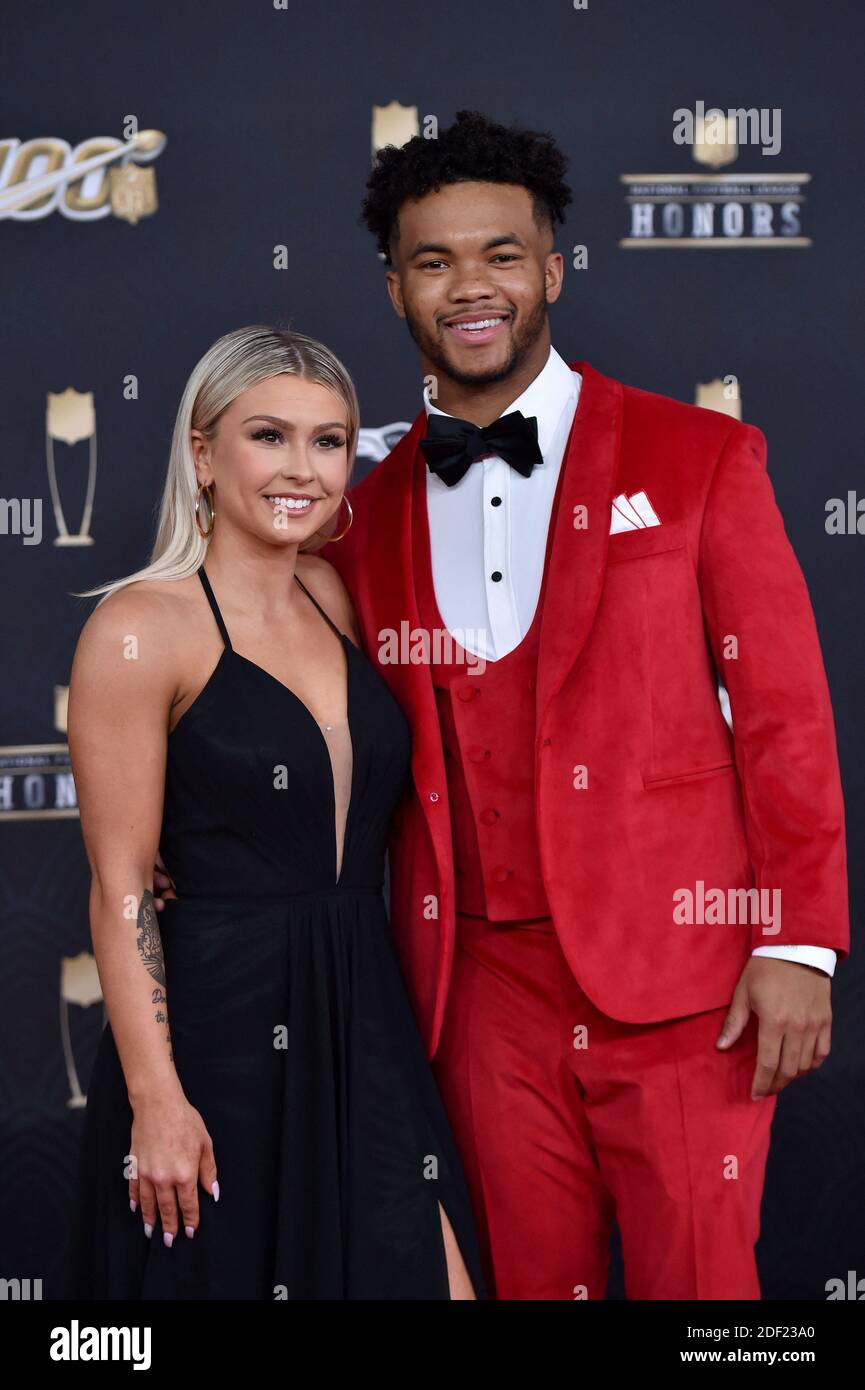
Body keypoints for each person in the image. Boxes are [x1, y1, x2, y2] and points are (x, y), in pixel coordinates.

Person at [157, 111, 849, 1301]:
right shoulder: (358, 522)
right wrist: (202, 848)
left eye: (500, 254)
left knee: (704, 1297)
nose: (469, 287)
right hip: (473, 993)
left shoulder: (699, 459)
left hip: (686, 980)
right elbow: (272, 693)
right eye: (433, 261)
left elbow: (785, 713)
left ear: (553, 272)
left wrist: (796, 941)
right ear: (395, 290)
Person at [64, 325, 487, 1300]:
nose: (304, 469)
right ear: (203, 455)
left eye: (328, 441)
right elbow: (121, 889)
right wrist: (157, 1098)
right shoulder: (139, 628)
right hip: (219, 1034)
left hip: (362, 1014)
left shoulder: (333, 595)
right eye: (269, 436)